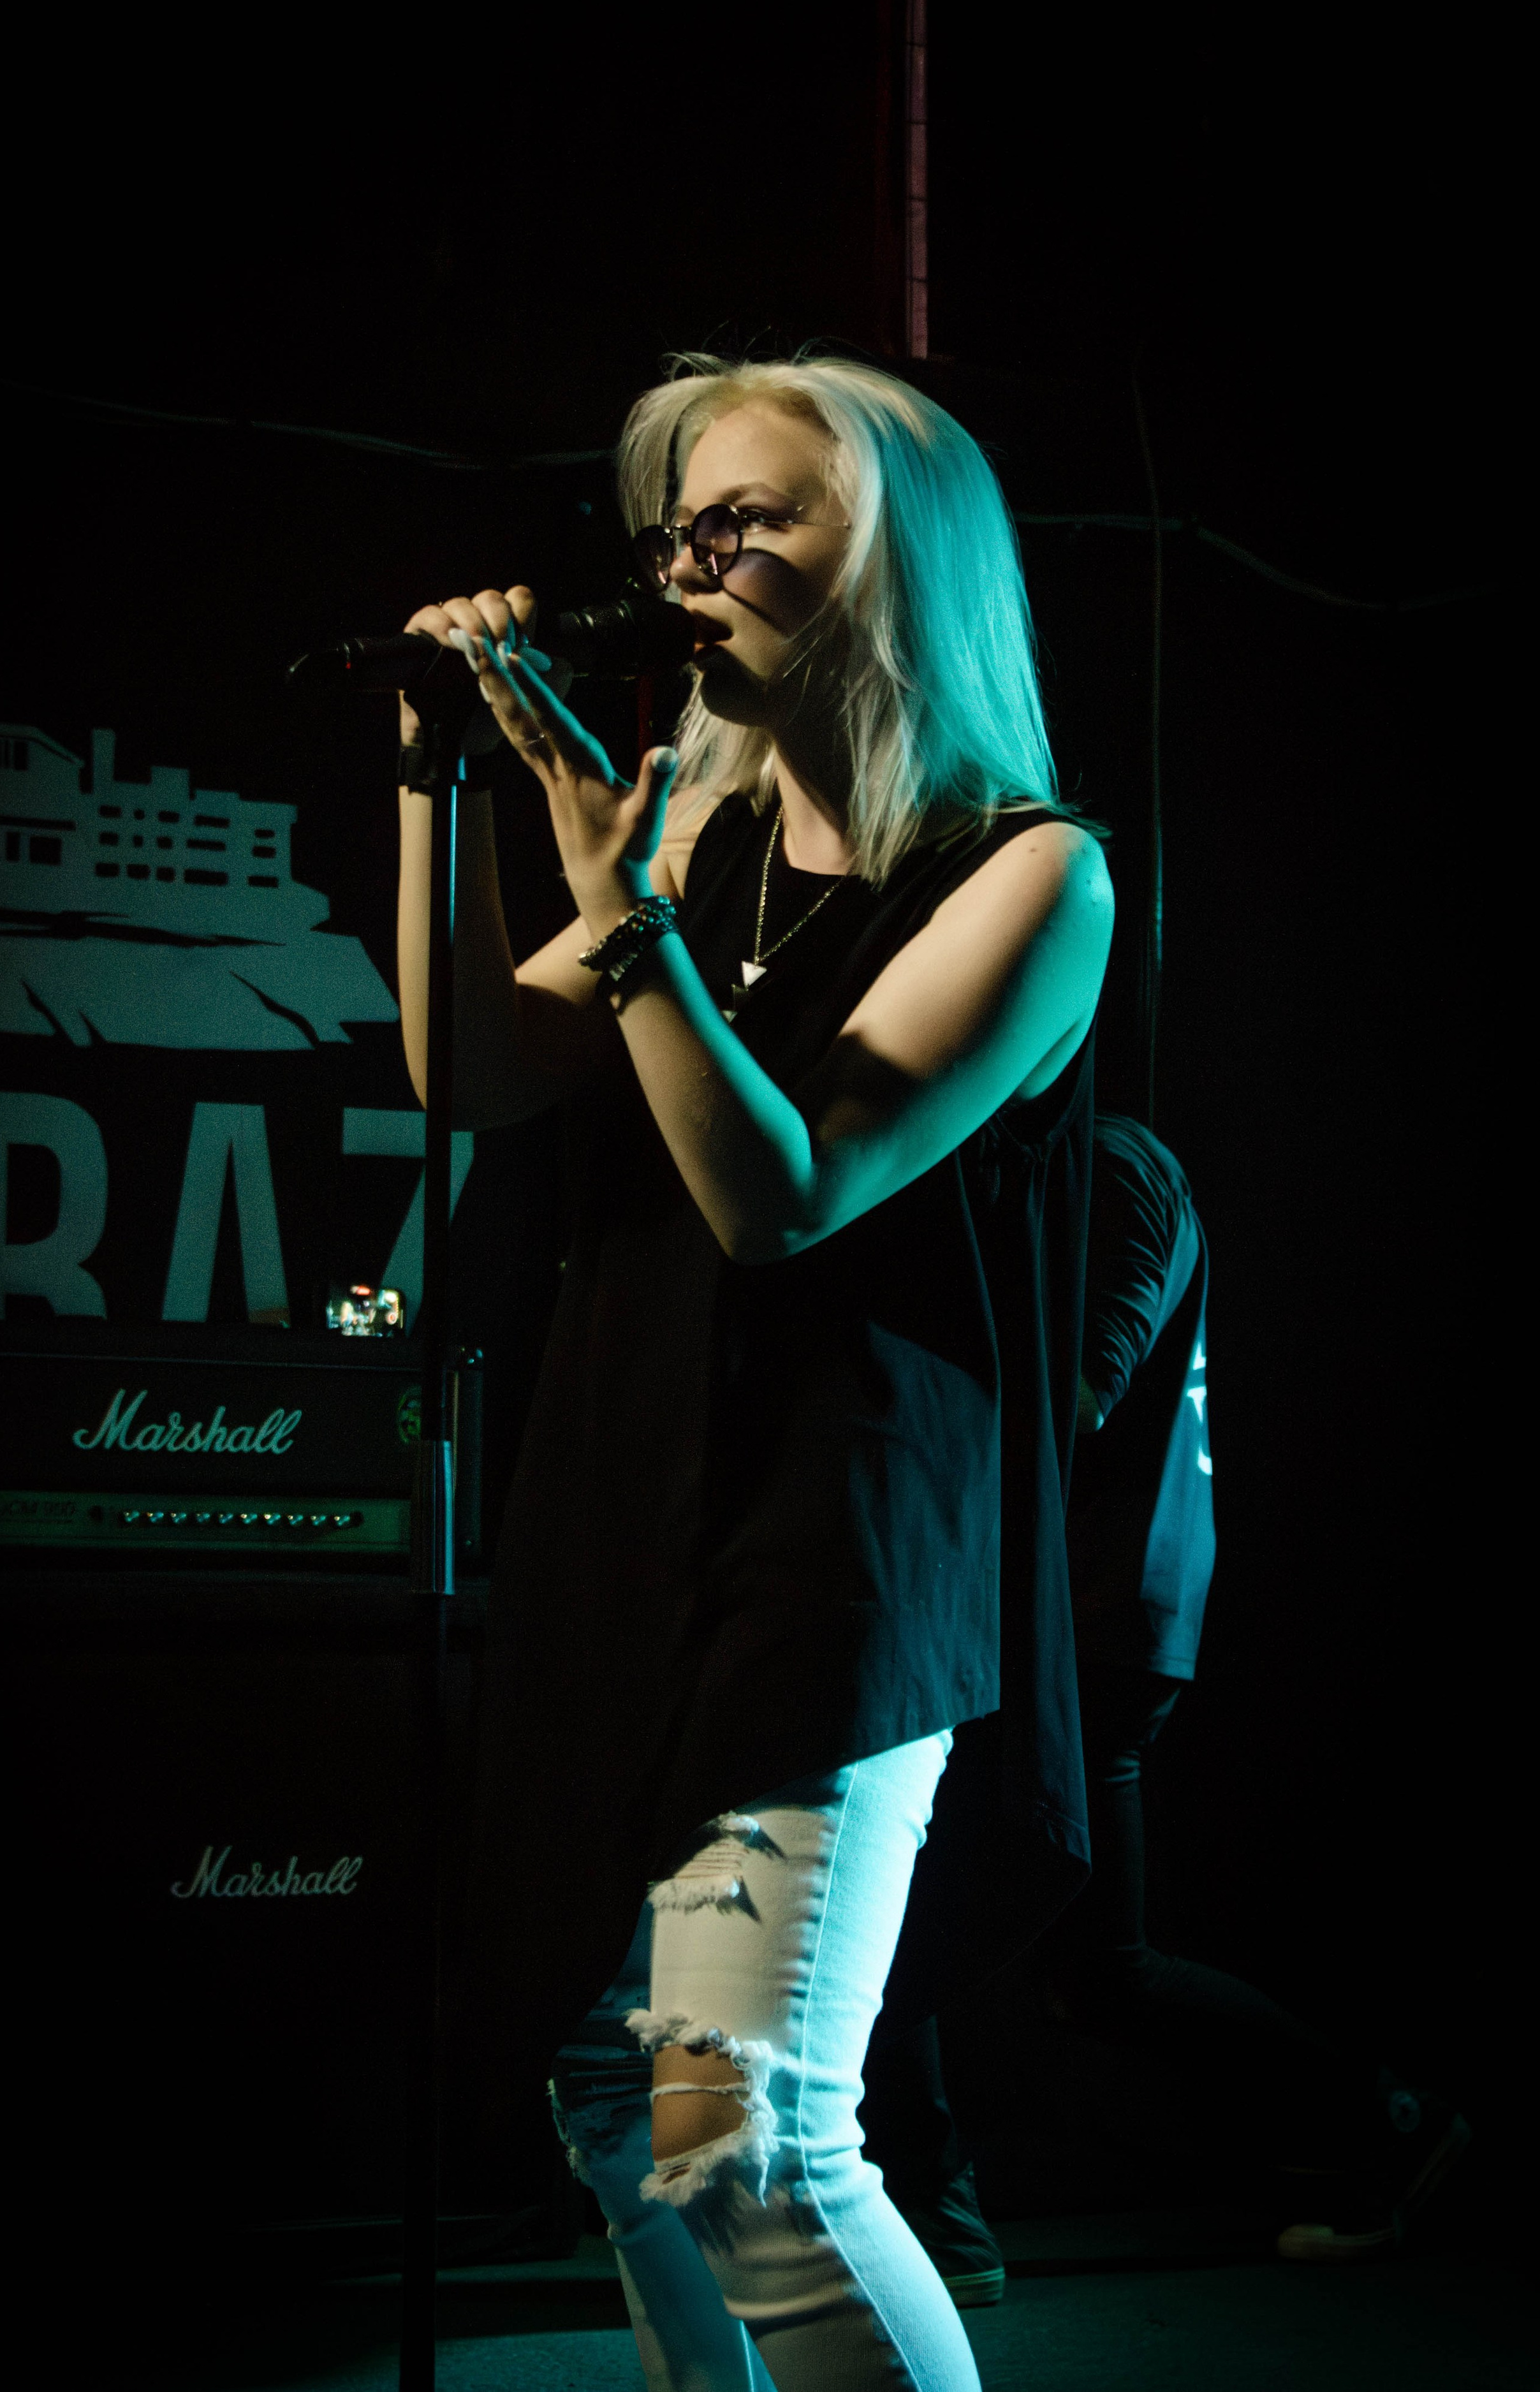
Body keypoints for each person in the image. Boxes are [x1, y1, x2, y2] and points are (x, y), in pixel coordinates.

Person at [395, 353, 1112, 2390]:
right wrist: (433, 785)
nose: (695, 566)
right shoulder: (694, 855)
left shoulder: (1030, 875)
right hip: (624, 1518)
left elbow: (780, 1199)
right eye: (679, 528)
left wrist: (620, 912)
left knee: (754, 2142)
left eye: (753, 523)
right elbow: (468, 1063)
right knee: (617, 2115)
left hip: (833, 1552)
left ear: (887, 568)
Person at [858, 1115, 1470, 2286]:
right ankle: (1397, 2127)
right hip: (1082, 1616)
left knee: (904, 1928)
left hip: (1084, 1623)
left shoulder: (1119, 1169)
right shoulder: (1073, 1169)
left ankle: (937, 2213)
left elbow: (1083, 1388)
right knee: (1092, 1970)